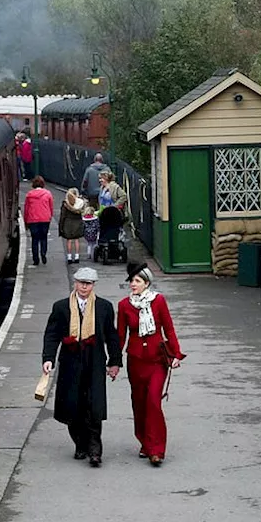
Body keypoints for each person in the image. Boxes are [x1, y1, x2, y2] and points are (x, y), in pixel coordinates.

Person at [42, 267, 122, 467]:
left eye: (88, 283)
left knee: (94, 406)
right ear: (75, 283)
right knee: (72, 405)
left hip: (94, 361)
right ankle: (80, 444)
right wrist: (48, 358)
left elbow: (112, 337)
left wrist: (114, 362)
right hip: (70, 362)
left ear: (93, 285)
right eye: (81, 282)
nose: (84, 287)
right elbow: (52, 334)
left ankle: (95, 450)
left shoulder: (104, 307)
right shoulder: (61, 307)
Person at [117, 262, 185, 467]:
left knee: (153, 402)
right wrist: (113, 361)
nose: (132, 284)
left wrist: (175, 354)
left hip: (157, 360)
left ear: (147, 283)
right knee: (139, 403)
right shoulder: (124, 305)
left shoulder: (159, 301)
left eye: (137, 281)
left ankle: (156, 450)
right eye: (131, 281)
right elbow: (120, 335)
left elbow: (169, 329)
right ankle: (144, 442)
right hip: (136, 360)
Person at [23, 176, 54, 265]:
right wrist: (49, 216)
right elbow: (51, 207)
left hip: (33, 220)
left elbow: (26, 209)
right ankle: (43, 253)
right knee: (44, 238)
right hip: (45, 219)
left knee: (35, 240)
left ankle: (35, 259)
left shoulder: (29, 195)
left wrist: (26, 221)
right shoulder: (48, 194)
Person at [58, 188, 87, 264]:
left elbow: (63, 215)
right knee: (76, 240)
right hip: (77, 222)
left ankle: (69, 257)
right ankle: (77, 256)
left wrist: (60, 226)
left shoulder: (65, 203)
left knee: (69, 240)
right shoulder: (80, 203)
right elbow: (83, 212)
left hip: (68, 223)